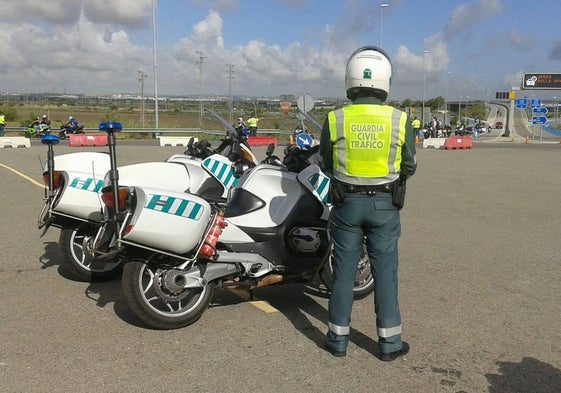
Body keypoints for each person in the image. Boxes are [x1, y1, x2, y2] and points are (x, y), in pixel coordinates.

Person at [319, 46, 417, 361]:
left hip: (346, 204)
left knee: (344, 271)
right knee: (385, 272)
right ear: (385, 80)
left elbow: (325, 162)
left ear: (350, 78)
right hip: (386, 204)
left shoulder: (335, 118)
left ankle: (337, 340)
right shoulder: (399, 119)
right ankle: (389, 345)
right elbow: (409, 165)